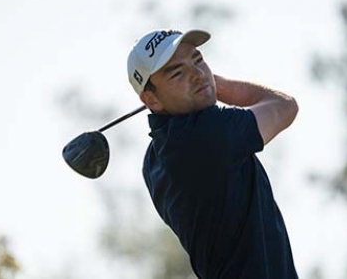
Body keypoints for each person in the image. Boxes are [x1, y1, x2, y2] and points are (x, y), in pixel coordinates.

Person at [127, 29, 299, 278]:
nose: (198, 75)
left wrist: (203, 83)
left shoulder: (154, 157)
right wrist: (217, 85)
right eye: (178, 73)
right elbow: (285, 106)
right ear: (151, 100)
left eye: (198, 60)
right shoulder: (204, 135)